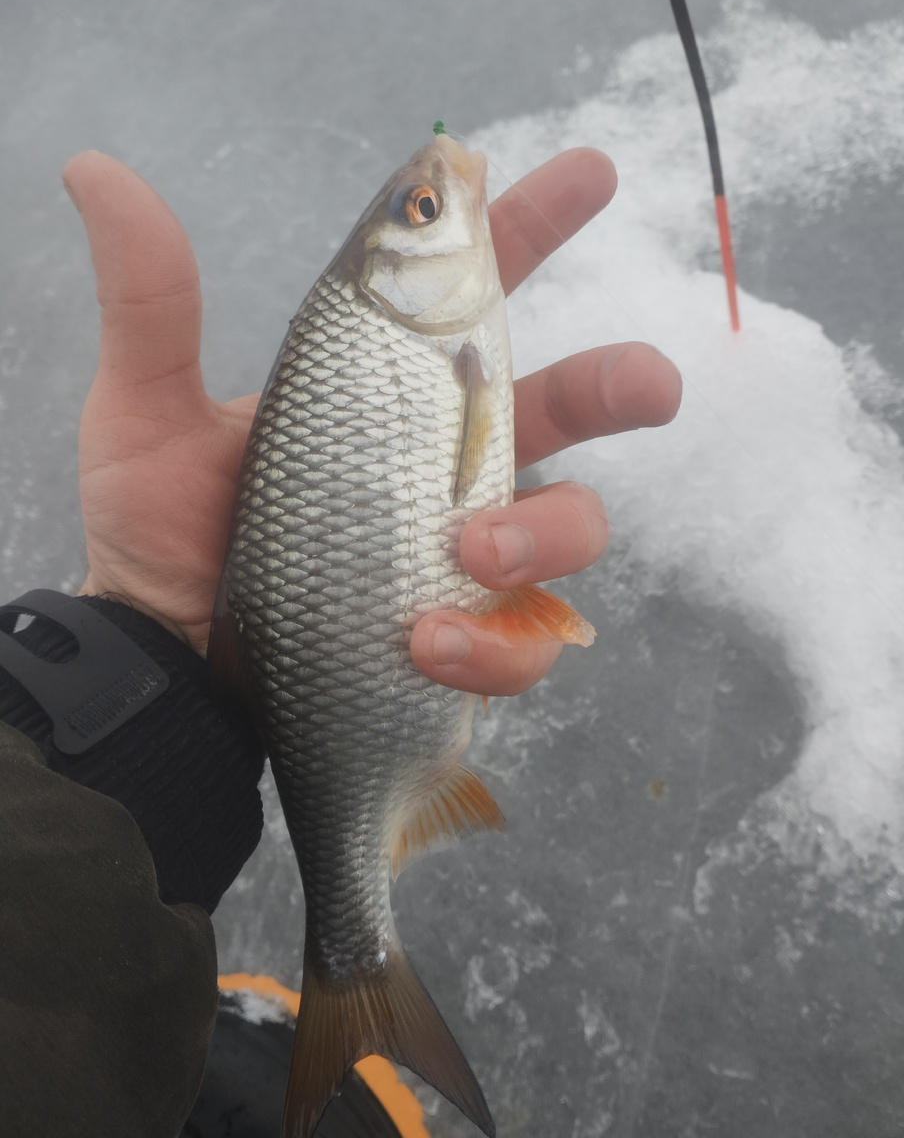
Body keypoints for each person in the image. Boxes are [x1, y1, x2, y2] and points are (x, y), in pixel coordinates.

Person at [0, 147, 681, 1138]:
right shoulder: (406, 335)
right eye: (421, 208)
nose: (440, 197)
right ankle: (342, 999)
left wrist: (146, 647)